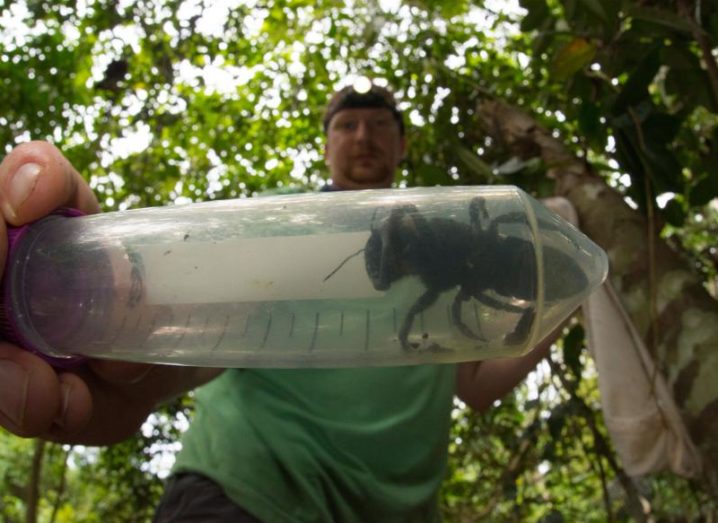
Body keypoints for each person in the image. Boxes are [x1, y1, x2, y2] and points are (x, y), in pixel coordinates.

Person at [0, 81, 556, 521]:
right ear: (327, 144)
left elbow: (478, 381)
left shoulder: (451, 220)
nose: (363, 137)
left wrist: (564, 289)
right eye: (347, 125)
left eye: (380, 126)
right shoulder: (280, 218)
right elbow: (207, 330)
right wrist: (133, 372)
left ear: (402, 144)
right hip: (248, 493)